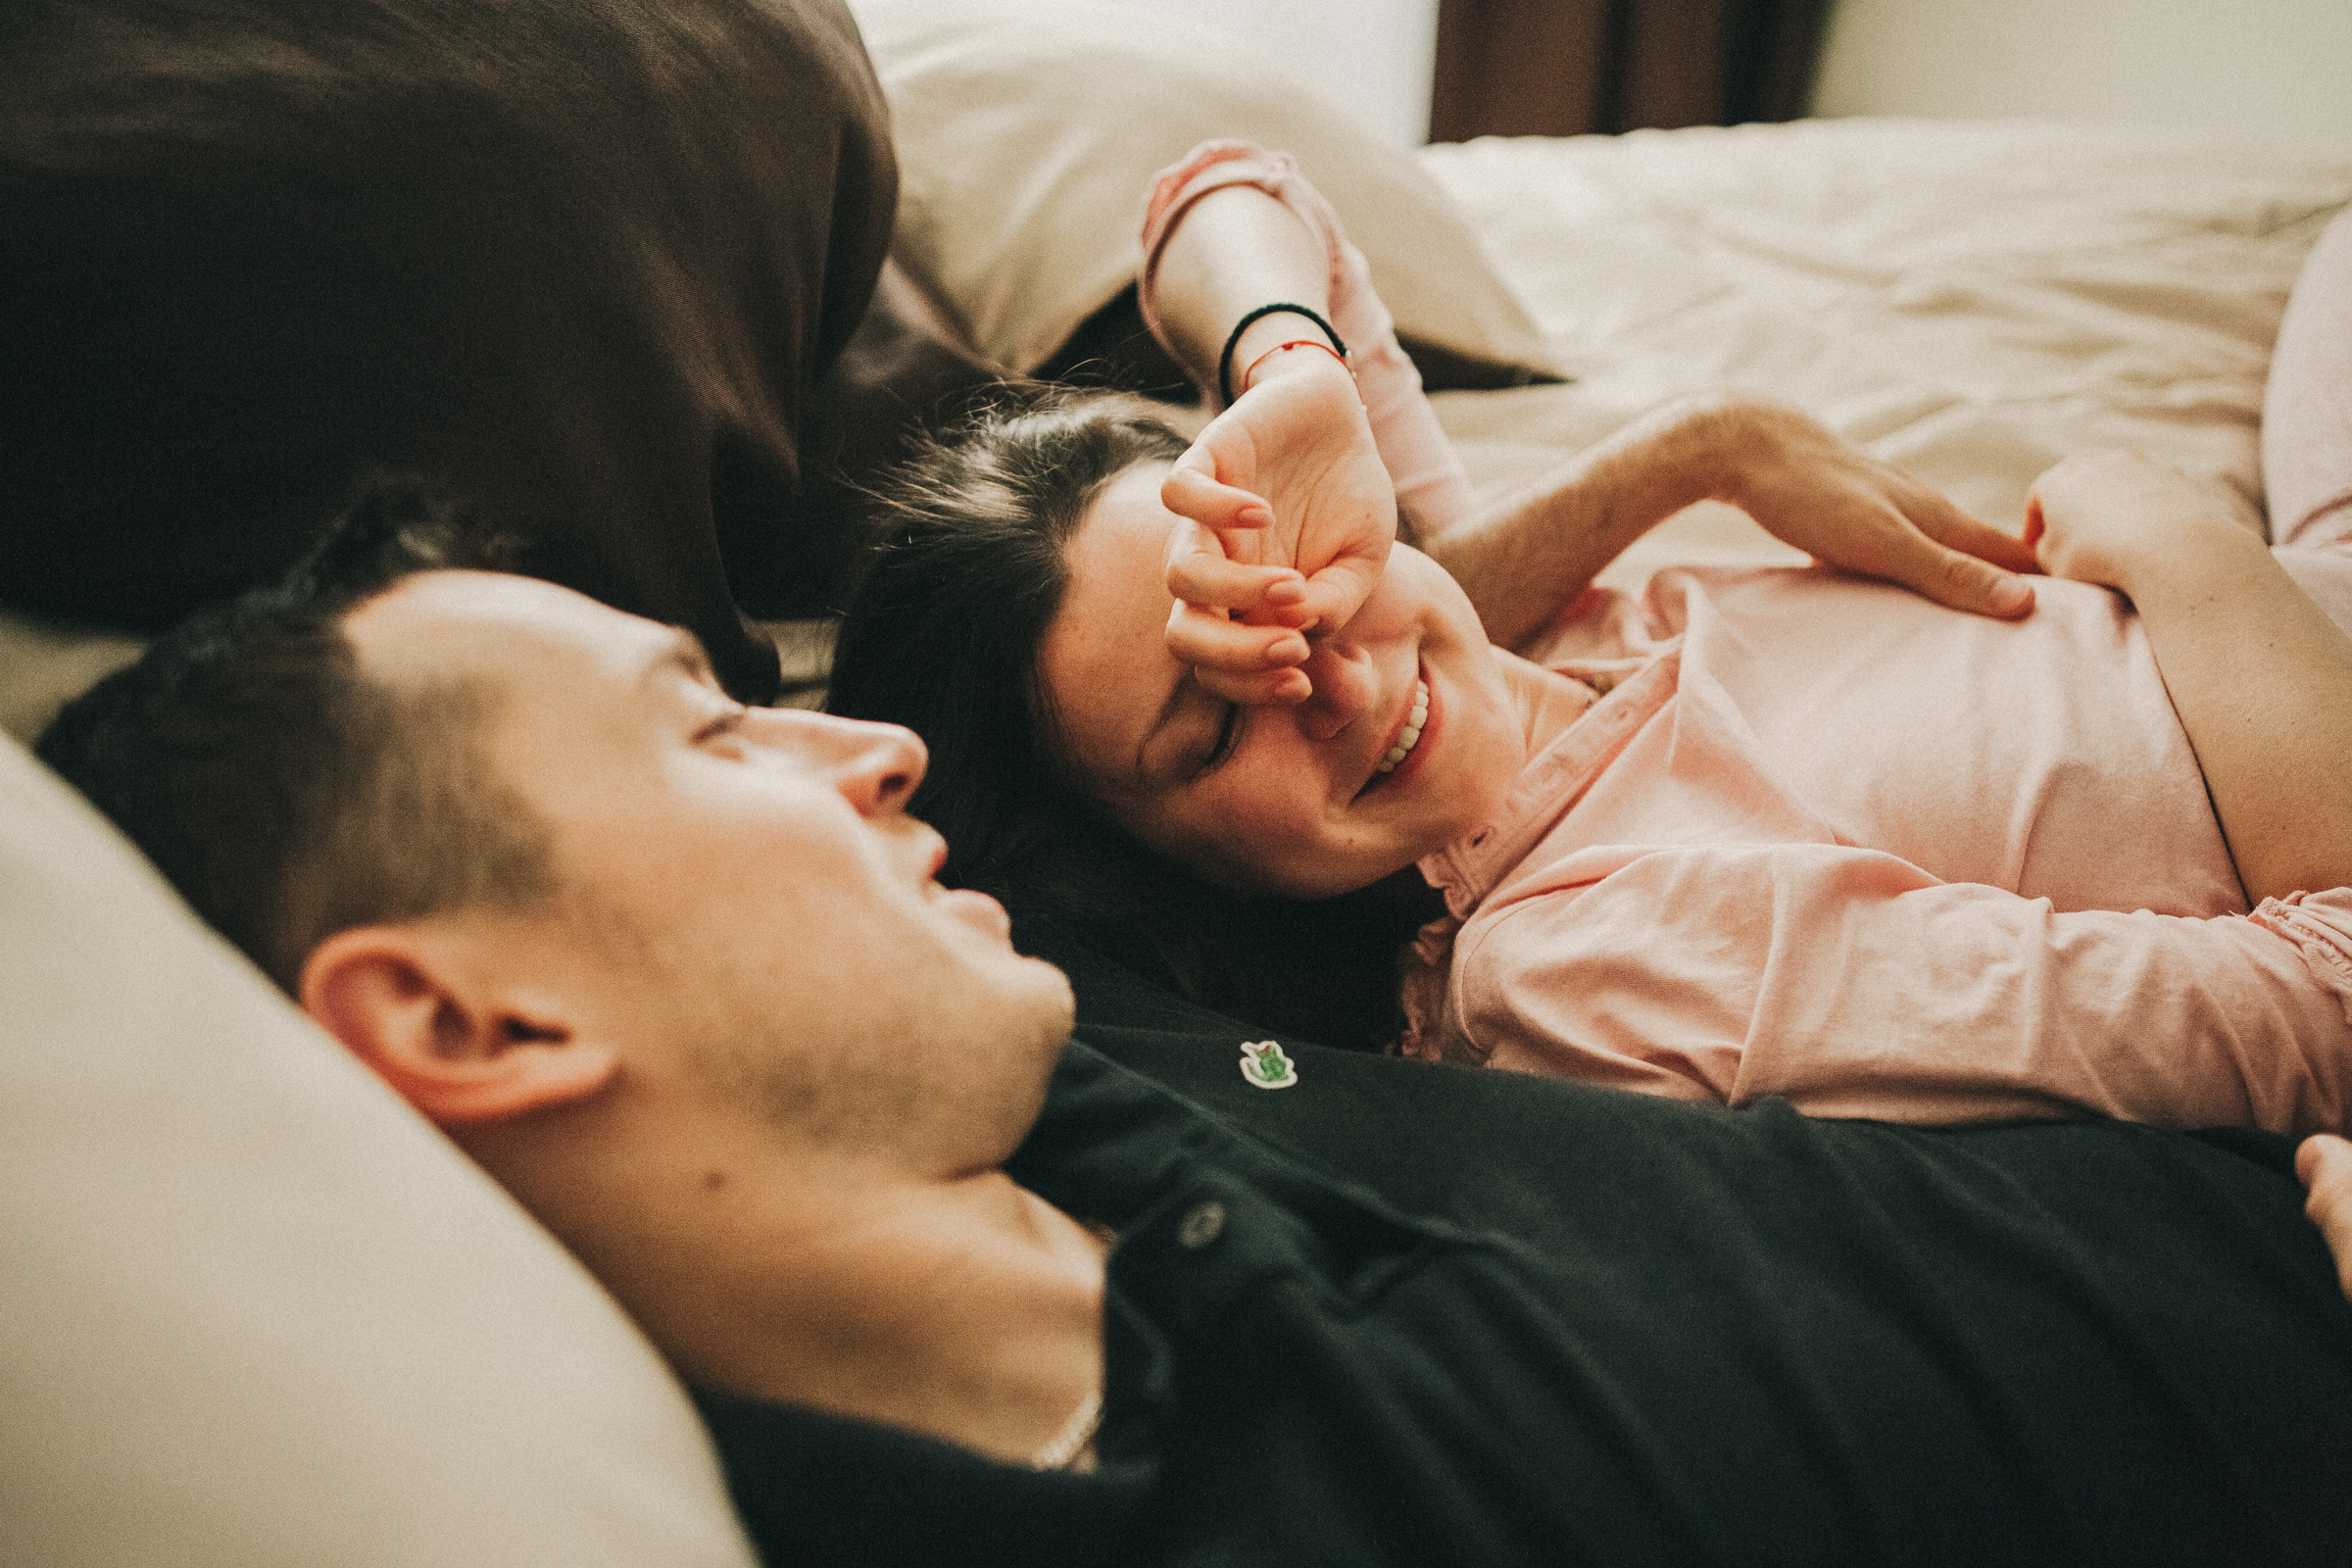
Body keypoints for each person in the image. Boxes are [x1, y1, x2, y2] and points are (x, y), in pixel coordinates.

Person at [30, 489, 2352, 1565]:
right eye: (705, 728)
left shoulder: (1085, 1033)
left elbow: (1300, 449)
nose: (867, 753)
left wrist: (1702, 446)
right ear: (465, 1008)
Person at [826, 151, 2352, 1144]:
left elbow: (1218, 193)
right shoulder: (1602, 958)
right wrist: (2180, 544)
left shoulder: (1498, 627)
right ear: (1156, 870)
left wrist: (1297, 378)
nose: (1340, 681)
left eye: (1268, 582)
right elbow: (2324, 1011)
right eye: (1215, 732)